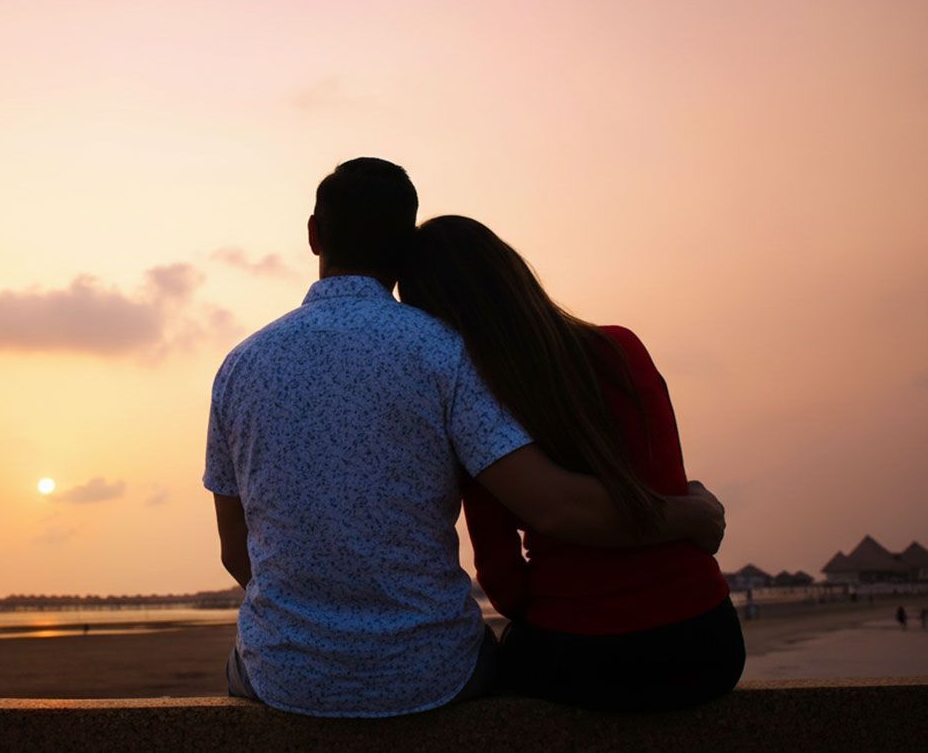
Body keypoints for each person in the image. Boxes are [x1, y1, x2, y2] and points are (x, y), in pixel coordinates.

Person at [207, 158, 727, 718]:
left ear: (314, 234)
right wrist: (691, 515)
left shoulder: (239, 366)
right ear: (405, 245)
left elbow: (238, 555)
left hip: (290, 675)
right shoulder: (446, 353)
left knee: (246, 670)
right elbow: (552, 505)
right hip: (431, 670)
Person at [398, 214, 743, 711]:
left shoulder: (478, 402)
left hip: (580, 654)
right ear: (511, 271)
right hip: (705, 642)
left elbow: (502, 579)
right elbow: (660, 490)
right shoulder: (619, 349)